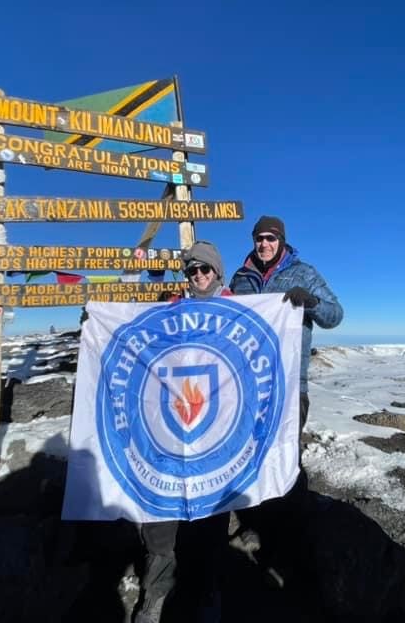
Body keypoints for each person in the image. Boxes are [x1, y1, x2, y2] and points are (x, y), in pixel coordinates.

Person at [228, 214, 343, 587]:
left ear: (281, 241)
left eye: (271, 238)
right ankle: (257, 526)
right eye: (259, 238)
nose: (264, 244)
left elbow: (335, 316)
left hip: (292, 384)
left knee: (286, 459)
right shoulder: (241, 278)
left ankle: (290, 539)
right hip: (250, 387)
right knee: (252, 456)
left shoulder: (303, 272)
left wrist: (309, 302)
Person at [134, 240, 230, 623]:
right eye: (192, 271)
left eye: (205, 270)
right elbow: (141, 347)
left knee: (213, 518)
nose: (199, 276)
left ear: (217, 272)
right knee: (161, 518)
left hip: (219, 434)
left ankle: (208, 592)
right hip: (171, 434)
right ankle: (154, 595)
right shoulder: (171, 311)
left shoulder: (237, 313)